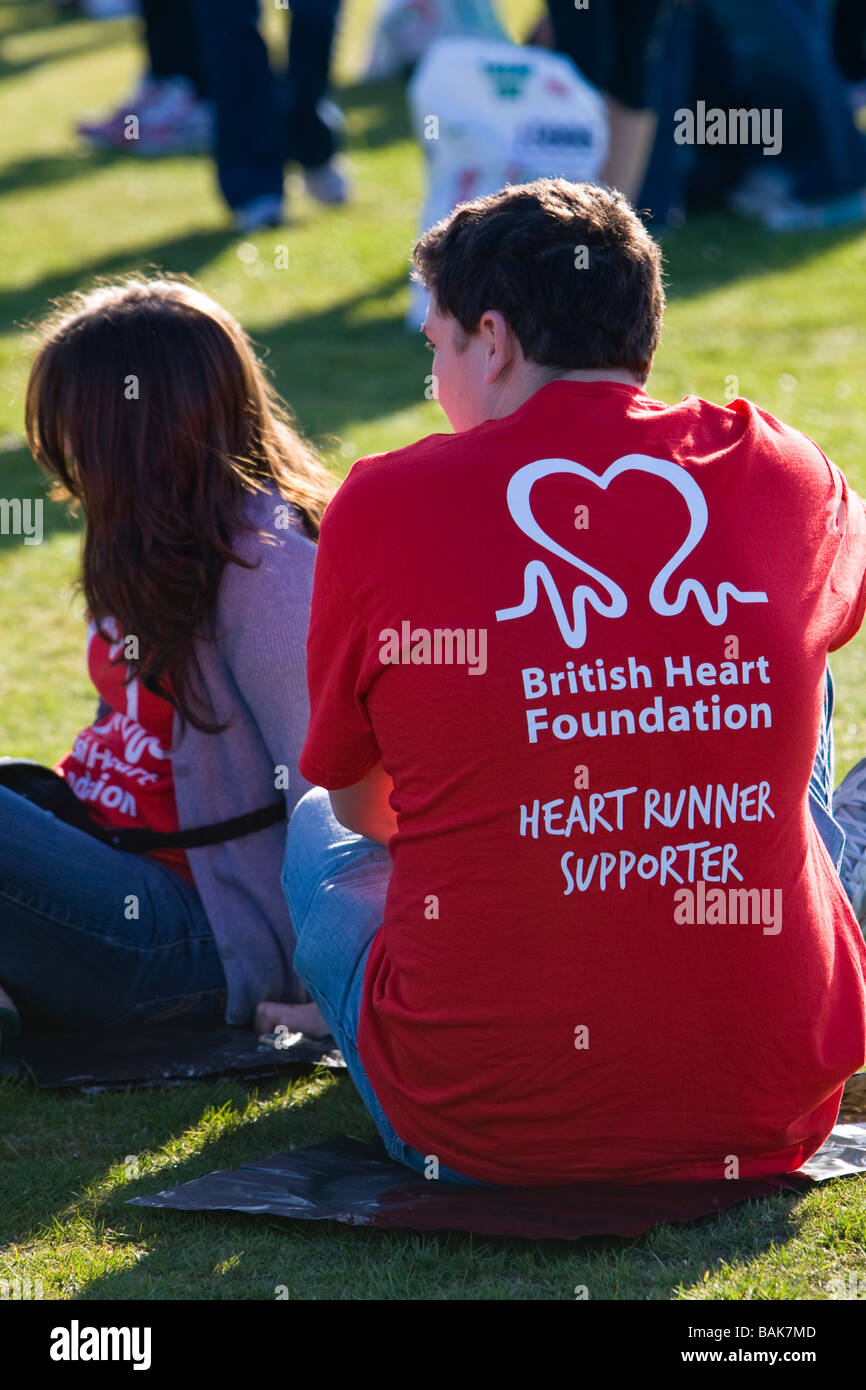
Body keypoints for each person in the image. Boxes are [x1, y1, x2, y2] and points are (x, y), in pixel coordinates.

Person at [263, 178, 866, 1188]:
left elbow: (368, 810)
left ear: (490, 340)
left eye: (434, 347)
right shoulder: (781, 467)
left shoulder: (385, 501)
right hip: (770, 1104)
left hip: (475, 1128)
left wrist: (543, 825)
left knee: (313, 827)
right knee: (794, 667)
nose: (434, 378)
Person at [0, 276, 334, 1051]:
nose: (63, 457)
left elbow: (334, 801)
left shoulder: (269, 570)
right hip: (115, 869)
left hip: (198, 944)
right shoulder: (153, 536)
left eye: (76, 429)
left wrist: (334, 995)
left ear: (136, 435)